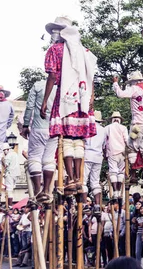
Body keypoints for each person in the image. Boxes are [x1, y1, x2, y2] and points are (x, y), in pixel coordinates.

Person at [41, 16, 97, 194]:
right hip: (82, 98)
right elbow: (91, 75)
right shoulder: (84, 51)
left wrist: (45, 100)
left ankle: (71, 177)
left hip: (65, 98)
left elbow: (51, 76)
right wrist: (91, 96)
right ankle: (78, 179)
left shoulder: (55, 50)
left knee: (66, 138)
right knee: (78, 140)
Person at [113, 71, 143, 189]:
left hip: (138, 124)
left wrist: (115, 83)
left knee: (131, 147)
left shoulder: (133, 89)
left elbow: (120, 94)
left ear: (134, 81)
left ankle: (133, 176)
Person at [22, 77, 57, 204]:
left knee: (35, 158)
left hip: (38, 127)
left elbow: (30, 106)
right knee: (49, 159)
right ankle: (46, 190)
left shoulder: (37, 85)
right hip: (54, 128)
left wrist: (26, 125)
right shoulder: (61, 86)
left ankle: (37, 190)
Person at [83, 111, 106, 214]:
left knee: (83, 180)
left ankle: (84, 204)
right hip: (98, 156)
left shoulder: (87, 127)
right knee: (95, 182)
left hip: (88, 154)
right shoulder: (103, 130)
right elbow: (104, 145)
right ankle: (97, 205)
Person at [104, 111, 129, 204]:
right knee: (120, 172)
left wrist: (104, 153)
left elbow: (104, 142)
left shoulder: (107, 128)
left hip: (112, 152)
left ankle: (115, 192)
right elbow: (127, 140)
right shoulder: (123, 128)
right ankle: (118, 193)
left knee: (113, 172)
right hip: (122, 152)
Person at [2, 143, 20, 207]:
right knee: (11, 189)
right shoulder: (15, 154)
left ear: (7, 149)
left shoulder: (8, 156)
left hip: (10, 173)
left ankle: (9, 205)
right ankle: (10, 205)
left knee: (9, 189)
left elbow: (6, 165)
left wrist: (2, 161)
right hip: (16, 173)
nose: (4, 152)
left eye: (4, 151)